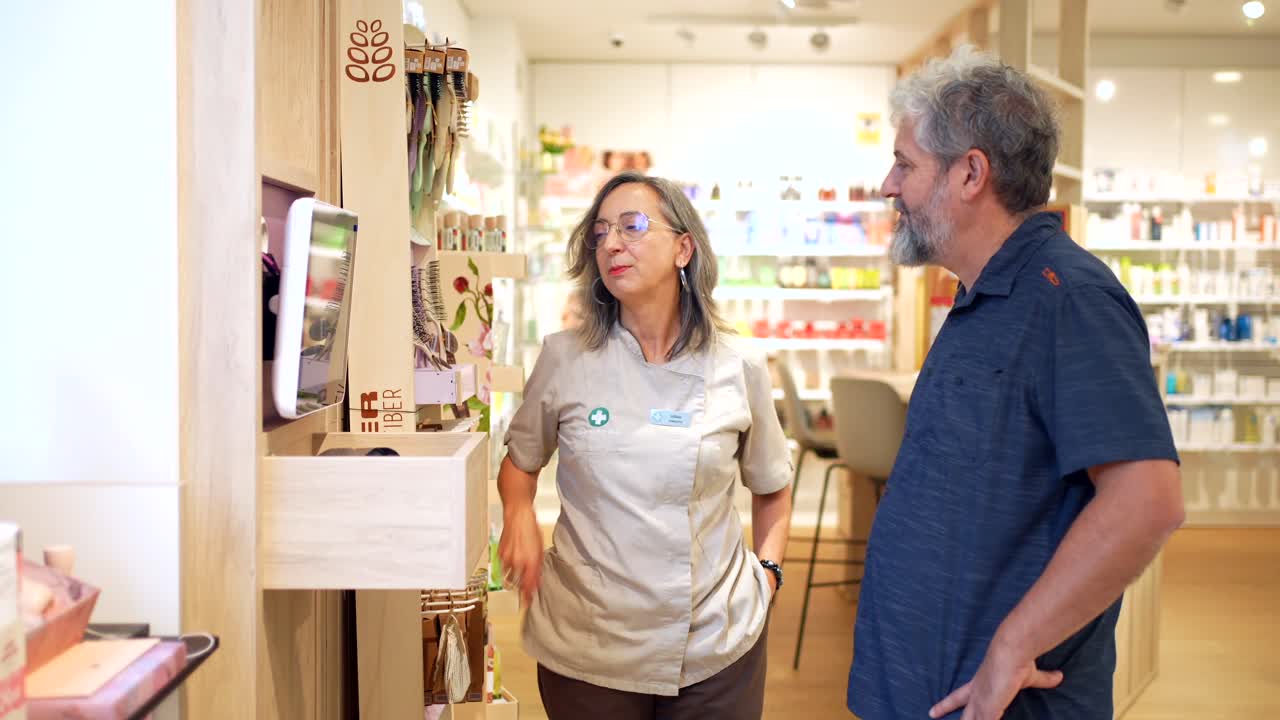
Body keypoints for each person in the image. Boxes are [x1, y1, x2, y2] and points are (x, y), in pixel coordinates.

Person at [847, 46, 1185, 720]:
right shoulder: (982, 296)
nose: (889, 185)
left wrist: (1012, 646)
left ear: (970, 173)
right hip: (922, 688)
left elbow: (1147, 501)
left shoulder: (1068, 297)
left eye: (906, 164)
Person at [499, 170, 794, 720]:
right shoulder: (565, 358)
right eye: (600, 232)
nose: (611, 243)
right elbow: (519, 463)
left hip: (715, 643)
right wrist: (518, 512)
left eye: (632, 226)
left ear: (684, 248)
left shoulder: (739, 364)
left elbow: (772, 484)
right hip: (589, 642)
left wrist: (769, 573)